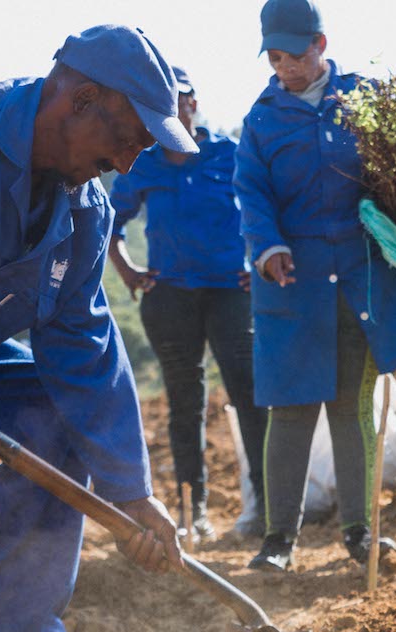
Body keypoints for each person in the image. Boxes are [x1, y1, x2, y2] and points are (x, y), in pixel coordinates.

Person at [234, 0, 396, 571]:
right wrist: (268, 248)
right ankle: (278, 543)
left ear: (320, 44)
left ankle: (359, 533)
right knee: (290, 410)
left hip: (360, 279)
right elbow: (252, 195)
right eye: (274, 57)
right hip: (291, 283)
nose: (284, 67)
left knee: (350, 408)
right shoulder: (262, 119)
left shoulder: (367, 100)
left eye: (293, 55)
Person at [0, 25, 191, 632]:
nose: (129, 165)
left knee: (56, 419)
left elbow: (83, 348)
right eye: (130, 140)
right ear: (82, 100)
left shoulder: (84, 209)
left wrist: (130, 491)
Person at [107, 66, 268, 541]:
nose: (171, 110)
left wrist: (257, 262)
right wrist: (129, 272)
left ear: (193, 103)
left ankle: (264, 507)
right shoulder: (146, 162)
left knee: (248, 393)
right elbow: (110, 224)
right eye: (160, 105)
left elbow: (263, 207)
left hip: (229, 292)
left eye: (178, 100)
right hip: (170, 295)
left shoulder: (228, 154)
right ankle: (191, 511)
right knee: (184, 402)